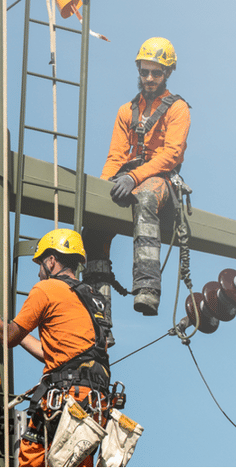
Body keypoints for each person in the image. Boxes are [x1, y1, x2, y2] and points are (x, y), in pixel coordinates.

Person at [0, 228, 111, 467]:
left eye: (40, 264)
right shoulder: (91, 297)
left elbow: (8, 338)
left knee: (33, 459)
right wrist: (17, 332)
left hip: (65, 396)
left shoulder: (47, 289)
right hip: (94, 403)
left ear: (51, 261)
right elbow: (53, 353)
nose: (39, 273)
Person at [83, 37, 191, 317]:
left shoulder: (178, 109)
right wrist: (103, 191)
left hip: (161, 181)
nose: (149, 78)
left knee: (145, 197)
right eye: (145, 72)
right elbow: (116, 157)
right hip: (130, 177)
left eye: (156, 72)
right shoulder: (126, 111)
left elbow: (171, 155)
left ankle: (147, 288)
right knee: (93, 228)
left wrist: (135, 178)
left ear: (167, 73)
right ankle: (99, 315)